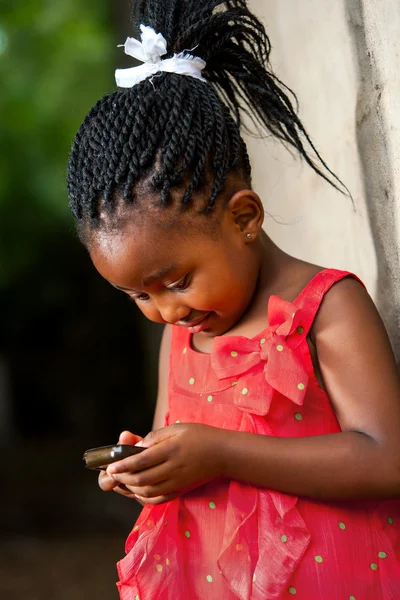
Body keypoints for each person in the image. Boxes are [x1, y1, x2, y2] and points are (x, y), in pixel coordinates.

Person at [67, 1, 400, 598]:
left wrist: (220, 453)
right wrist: (149, 465)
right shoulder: (183, 334)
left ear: (244, 217)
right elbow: (176, 434)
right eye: (136, 295)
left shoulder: (323, 308)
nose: (164, 311)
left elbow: (386, 458)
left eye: (175, 281)